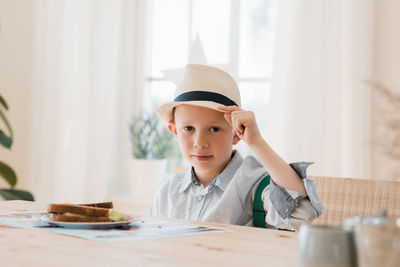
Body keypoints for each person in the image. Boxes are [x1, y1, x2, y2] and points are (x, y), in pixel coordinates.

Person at [150, 64, 323, 231]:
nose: (200, 142)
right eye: (188, 129)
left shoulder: (254, 184)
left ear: (236, 133)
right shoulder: (168, 191)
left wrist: (257, 142)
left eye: (214, 129)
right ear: (175, 131)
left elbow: (303, 215)